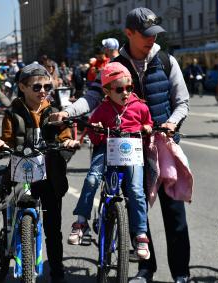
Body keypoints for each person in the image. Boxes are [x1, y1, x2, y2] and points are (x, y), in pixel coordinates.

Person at [51, 7, 190, 283]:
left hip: (162, 145)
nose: (151, 39)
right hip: (127, 146)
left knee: (175, 215)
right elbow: (91, 97)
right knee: (136, 207)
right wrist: (68, 112)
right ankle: (145, 270)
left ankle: (181, 274)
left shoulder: (166, 61)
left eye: (155, 33)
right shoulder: (114, 68)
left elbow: (182, 101)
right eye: (145, 34)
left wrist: (172, 122)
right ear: (129, 33)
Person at [0, 63, 79, 283]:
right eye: (36, 87)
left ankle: (57, 274)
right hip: (22, 173)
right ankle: (7, 241)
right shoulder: (13, 112)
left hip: (50, 176)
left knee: (53, 228)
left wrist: (68, 142)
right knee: (17, 206)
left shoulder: (54, 111)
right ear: (22, 87)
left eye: (46, 87)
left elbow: (64, 135)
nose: (43, 91)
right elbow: (8, 139)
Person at [89, 61, 153, 259]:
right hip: (109, 150)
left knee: (135, 189)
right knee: (94, 179)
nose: (125, 92)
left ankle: (141, 234)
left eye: (129, 88)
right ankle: (84, 220)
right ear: (107, 91)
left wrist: (147, 128)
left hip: (132, 152)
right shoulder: (103, 108)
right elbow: (93, 131)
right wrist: (97, 129)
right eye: (119, 89)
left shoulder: (139, 106)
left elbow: (147, 122)